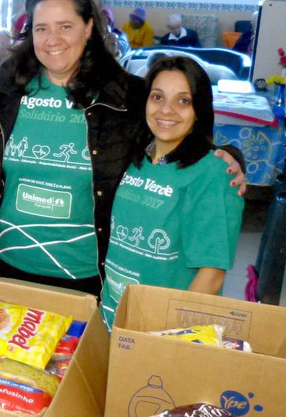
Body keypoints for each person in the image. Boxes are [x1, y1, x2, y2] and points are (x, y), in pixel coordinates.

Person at [0, 0, 243, 294]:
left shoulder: (125, 97)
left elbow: (176, 133)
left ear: (88, 28)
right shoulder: (2, 91)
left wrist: (228, 157)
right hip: (5, 266)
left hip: (87, 276)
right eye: (41, 28)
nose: (53, 39)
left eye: (65, 26)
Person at [98, 56, 243, 329]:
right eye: (157, 97)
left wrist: (167, 334)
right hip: (114, 315)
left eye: (183, 101)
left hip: (163, 329)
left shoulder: (213, 173)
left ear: (199, 109)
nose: (166, 110)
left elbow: (211, 275)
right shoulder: (135, 158)